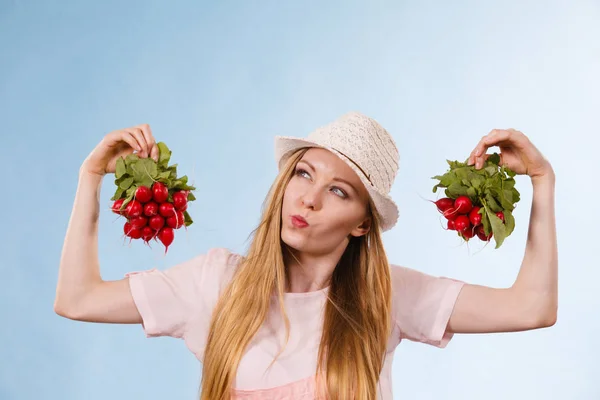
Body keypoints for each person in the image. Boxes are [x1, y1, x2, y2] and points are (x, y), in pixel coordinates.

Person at [55, 112, 558, 399]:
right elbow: (77, 299)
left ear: (363, 223)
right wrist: (90, 178)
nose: (309, 199)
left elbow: (531, 308)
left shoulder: (387, 296)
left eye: (339, 191)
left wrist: (542, 182)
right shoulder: (214, 283)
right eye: (303, 174)